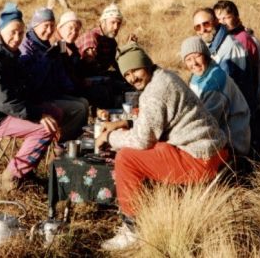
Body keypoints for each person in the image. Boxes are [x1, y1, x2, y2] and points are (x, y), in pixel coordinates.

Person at [96, 43, 228, 251]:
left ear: (146, 65)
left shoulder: (155, 92)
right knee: (148, 149)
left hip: (199, 159)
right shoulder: (165, 77)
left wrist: (110, 136)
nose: (133, 78)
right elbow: (157, 121)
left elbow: (142, 140)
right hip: (211, 150)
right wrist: (126, 124)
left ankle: (133, 230)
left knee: (126, 158)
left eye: (136, 70)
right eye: (127, 74)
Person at [0, 2, 59, 191]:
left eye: (21, 33)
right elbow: (2, 100)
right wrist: (37, 114)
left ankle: (37, 168)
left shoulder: (7, 54)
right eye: (13, 32)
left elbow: (21, 89)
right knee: (43, 129)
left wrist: (42, 108)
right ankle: (10, 178)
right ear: (0, 30)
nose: (17, 38)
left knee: (55, 112)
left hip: (0, 112)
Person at [19, 8, 89, 142]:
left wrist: (72, 88)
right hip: (36, 99)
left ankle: (76, 139)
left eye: (51, 26)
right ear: (35, 25)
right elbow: (31, 80)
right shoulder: (27, 46)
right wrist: (48, 58)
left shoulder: (47, 44)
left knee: (83, 102)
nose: (49, 30)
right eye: (45, 26)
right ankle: (63, 144)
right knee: (79, 108)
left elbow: (61, 70)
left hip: (50, 93)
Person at [181, 36, 250, 157]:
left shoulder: (215, 82)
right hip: (218, 132)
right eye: (188, 59)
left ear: (206, 55)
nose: (194, 63)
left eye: (197, 56)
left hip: (233, 143)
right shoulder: (197, 77)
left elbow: (207, 123)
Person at [192, 7, 255, 114]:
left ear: (216, 21)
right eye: (198, 27)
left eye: (206, 24)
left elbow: (225, 88)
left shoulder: (230, 47)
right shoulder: (211, 45)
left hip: (236, 114)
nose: (202, 30)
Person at [75, 3, 133, 108]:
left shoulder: (111, 41)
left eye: (118, 23)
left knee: (129, 83)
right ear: (103, 22)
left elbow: (116, 64)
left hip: (99, 76)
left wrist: (128, 50)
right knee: (108, 88)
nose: (116, 27)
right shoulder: (92, 37)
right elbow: (88, 67)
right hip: (82, 79)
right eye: (113, 22)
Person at [213, 0, 260, 108]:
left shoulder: (243, 39)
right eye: (218, 19)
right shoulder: (225, 38)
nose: (222, 22)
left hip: (248, 98)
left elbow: (248, 74)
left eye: (227, 17)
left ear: (236, 17)